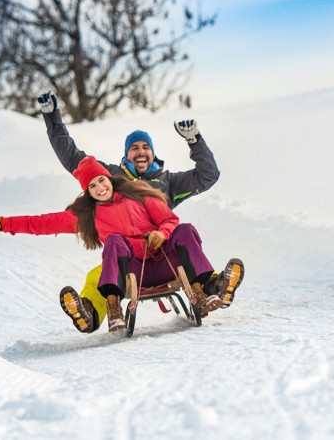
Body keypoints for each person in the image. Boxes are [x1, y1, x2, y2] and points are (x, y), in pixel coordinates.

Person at [33, 92, 242, 333]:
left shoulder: (168, 183)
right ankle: (89, 313)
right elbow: (72, 157)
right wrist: (51, 117)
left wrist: (195, 141)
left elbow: (208, 176)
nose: (140, 152)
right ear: (126, 154)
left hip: (163, 256)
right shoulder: (111, 177)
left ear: (152, 153)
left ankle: (217, 288)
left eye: (145, 147)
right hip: (127, 258)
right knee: (97, 276)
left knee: (188, 247)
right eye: (134, 148)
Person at [0, 156, 242, 332]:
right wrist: (0, 223)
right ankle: (111, 309)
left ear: (109, 178)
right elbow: (42, 223)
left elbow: (170, 219)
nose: (100, 187)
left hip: (165, 263)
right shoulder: (88, 216)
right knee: (114, 241)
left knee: (185, 229)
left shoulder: (139, 196)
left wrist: (162, 232)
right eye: (92, 186)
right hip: (131, 274)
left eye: (101, 180)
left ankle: (207, 289)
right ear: (87, 192)